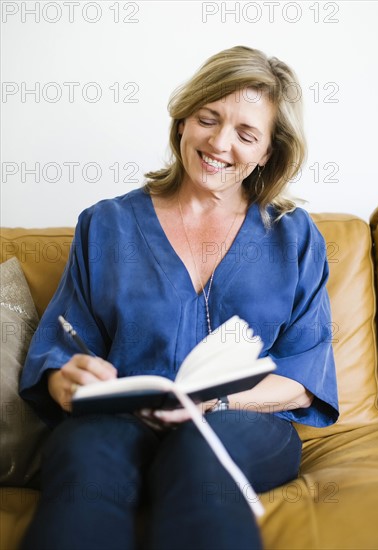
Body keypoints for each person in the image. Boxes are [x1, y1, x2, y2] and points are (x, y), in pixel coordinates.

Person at [19, 45, 339, 550]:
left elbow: (306, 379)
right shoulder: (106, 224)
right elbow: (63, 344)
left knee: (199, 455)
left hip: (241, 424)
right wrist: (65, 379)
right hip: (120, 421)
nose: (219, 142)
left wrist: (218, 400)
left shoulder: (294, 237)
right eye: (208, 118)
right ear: (184, 120)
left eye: (245, 133)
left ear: (267, 152)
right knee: (83, 461)